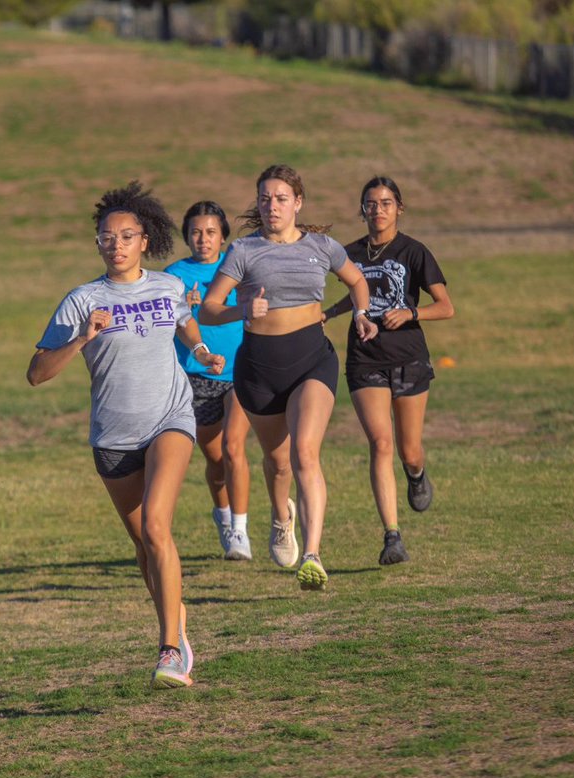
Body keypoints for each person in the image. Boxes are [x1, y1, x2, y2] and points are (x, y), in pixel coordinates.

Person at [27, 181, 225, 689]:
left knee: (158, 527)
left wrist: (201, 353)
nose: (116, 245)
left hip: (170, 417)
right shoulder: (81, 301)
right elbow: (36, 372)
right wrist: (81, 338)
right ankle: (177, 624)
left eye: (126, 236)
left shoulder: (167, 286)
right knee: (143, 543)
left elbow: (185, 322)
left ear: (144, 240)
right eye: (106, 238)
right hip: (113, 437)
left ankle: (169, 649)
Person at [198, 165, 378, 591]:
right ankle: (283, 518)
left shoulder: (322, 247)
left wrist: (363, 314)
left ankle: (313, 555)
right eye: (264, 198)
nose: (271, 205)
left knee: (304, 454)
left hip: (311, 361)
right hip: (259, 368)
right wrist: (242, 312)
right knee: (277, 462)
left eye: (280, 198)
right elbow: (208, 309)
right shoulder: (243, 251)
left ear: (298, 202)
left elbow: (356, 281)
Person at [322, 176, 454, 566]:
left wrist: (412, 312)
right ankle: (392, 536)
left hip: (409, 356)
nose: (377, 210)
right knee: (380, 443)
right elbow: (357, 291)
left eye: (385, 203)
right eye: (370, 204)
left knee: (408, 450)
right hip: (366, 359)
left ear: (399, 208)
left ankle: (416, 474)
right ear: (362, 210)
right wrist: (329, 312)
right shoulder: (351, 253)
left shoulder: (414, 251)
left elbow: (446, 306)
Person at [164, 201, 253, 560]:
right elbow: (165, 323)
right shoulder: (173, 275)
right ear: (187, 236)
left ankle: (240, 533)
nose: (203, 239)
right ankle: (223, 515)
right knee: (215, 460)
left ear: (223, 237)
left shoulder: (236, 268)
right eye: (196, 232)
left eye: (211, 232)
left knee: (234, 447)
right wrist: (183, 306)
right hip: (194, 377)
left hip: (239, 372)